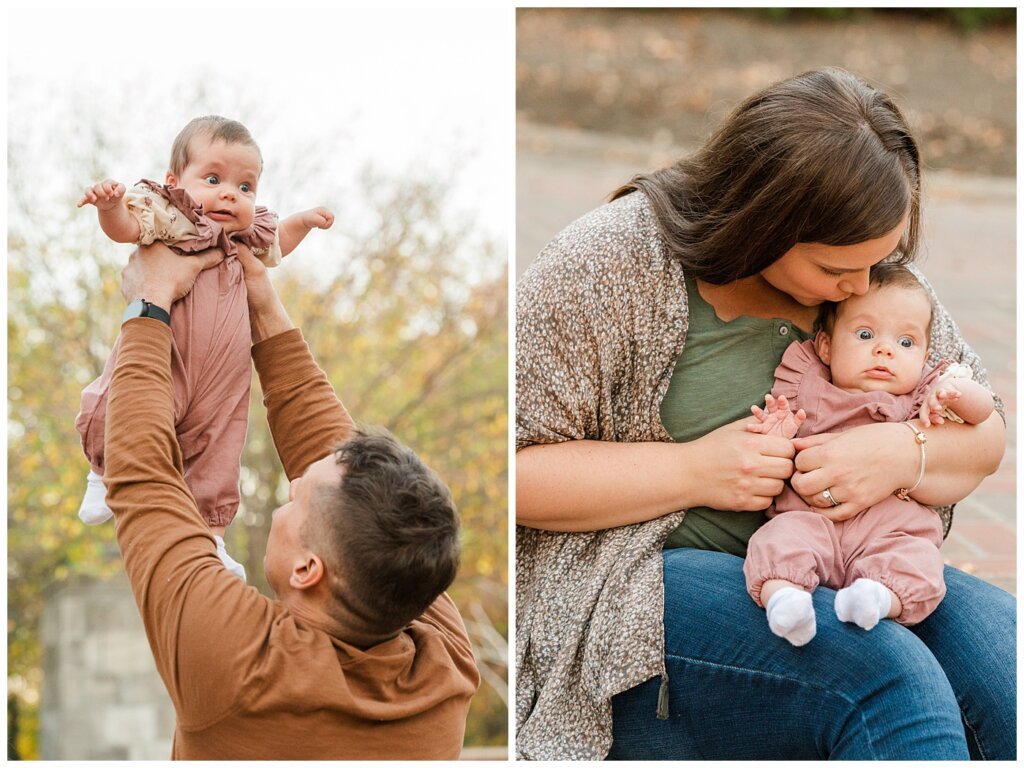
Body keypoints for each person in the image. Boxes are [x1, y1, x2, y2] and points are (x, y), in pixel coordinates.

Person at [516, 68, 1014, 760]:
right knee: (885, 681)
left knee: (1007, 664)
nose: (863, 287)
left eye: (881, 260)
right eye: (838, 269)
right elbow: (513, 469)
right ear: (766, 221)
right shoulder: (610, 261)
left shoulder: (863, 269)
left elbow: (984, 435)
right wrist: (693, 471)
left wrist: (905, 454)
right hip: (639, 583)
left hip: (851, 558)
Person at [101, 241, 479, 759]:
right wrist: (262, 302)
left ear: (307, 569)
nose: (291, 486)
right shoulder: (444, 664)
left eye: (292, 501)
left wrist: (148, 304)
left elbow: (143, 475)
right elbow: (332, 459)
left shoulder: (237, 662)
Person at [75, 115, 334, 579]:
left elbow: (277, 246)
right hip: (168, 354)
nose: (230, 194)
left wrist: (304, 223)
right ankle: (103, 472)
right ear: (176, 182)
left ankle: (209, 534)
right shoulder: (174, 218)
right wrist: (108, 207)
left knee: (219, 447)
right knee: (129, 408)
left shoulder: (246, 237)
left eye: (245, 186)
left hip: (224, 374)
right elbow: (127, 228)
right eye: (213, 179)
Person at [742, 263, 995, 646]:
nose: (885, 349)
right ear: (826, 346)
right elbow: (775, 449)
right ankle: (785, 599)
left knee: (917, 560)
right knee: (778, 538)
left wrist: (956, 390)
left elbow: (985, 414)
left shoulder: (924, 394)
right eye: (864, 334)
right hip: (812, 521)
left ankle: (877, 599)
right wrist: (775, 433)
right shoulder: (805, 386)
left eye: (906, 343)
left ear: (926, 354)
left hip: (890, 530)